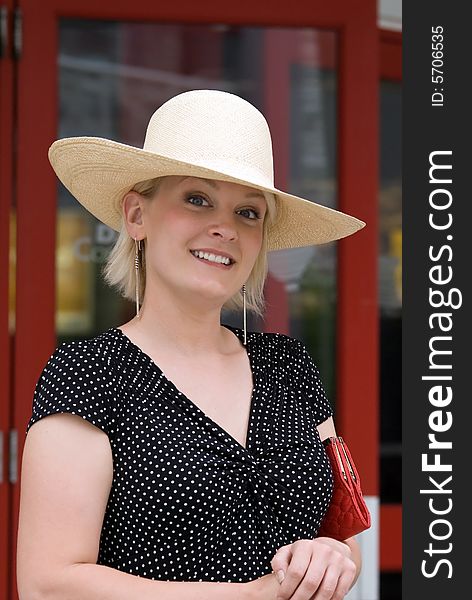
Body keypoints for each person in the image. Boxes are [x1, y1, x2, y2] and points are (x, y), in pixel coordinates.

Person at [17, 89, 366, 600]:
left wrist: (330, 556)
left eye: (249, 213)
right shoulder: (87, 374)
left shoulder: (289, 367)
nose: (225, 227)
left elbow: (342, 532)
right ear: (137, 215)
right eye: (197, 199)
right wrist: (251, 596)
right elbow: (49, 585)